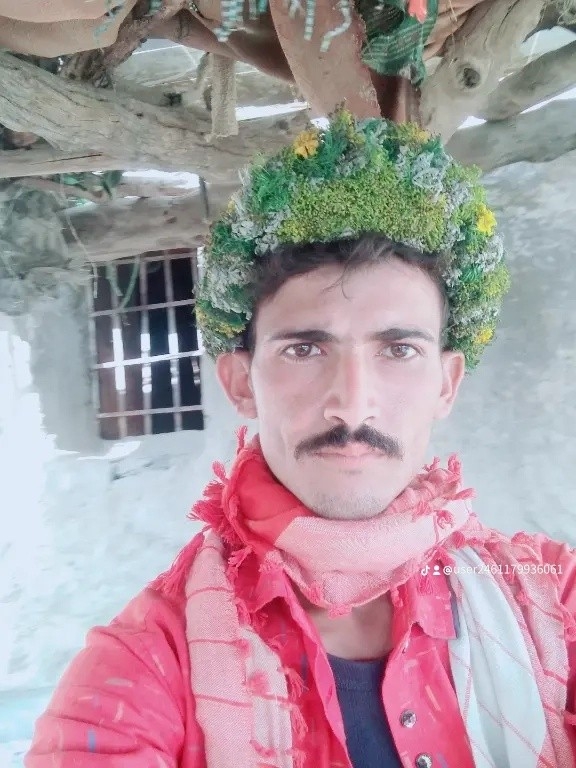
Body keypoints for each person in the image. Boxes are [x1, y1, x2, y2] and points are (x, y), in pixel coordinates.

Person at [26, 110, 576, 768]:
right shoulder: (146, 665)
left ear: (446, 383)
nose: (352, 401)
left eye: (398, 349)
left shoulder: (552, 597)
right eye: (305, 349)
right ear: (240, 382)